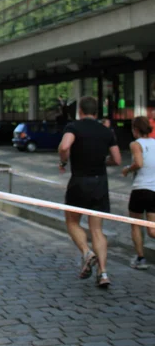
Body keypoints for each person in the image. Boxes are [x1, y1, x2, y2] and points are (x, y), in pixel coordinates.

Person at [58, 96, 121, 288]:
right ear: (96, 112)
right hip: (100, 182)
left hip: (79, 182)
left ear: (80, 111)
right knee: (97, 229)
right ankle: (103, 273)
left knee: (72, 221)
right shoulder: (106, 131)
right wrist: (103, 161)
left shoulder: (73, 127)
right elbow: (117, 159)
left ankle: (87, 252)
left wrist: (64, 160)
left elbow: (64, 146)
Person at [122, 116, 155, 270]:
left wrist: (128, 169)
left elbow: (139, 163)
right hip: (154, 190)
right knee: (152, 229)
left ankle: (140, 258)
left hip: (140, 189)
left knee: (136, 225)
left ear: (135, 129)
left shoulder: (136, 144)